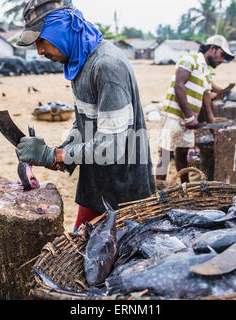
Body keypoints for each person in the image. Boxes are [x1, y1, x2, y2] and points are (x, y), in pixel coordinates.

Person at [15, 0, 156, 231]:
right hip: (96, 183)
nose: (39, 51)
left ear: (61, 28)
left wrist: (54, 154)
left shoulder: (106, 66)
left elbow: (112, 147)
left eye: (41, 40)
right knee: (80, 247)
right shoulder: (78, 61)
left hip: (125, 192)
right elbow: (84, 123)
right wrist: (61, 153)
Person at [155, 35, 235, 188]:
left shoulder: (206, 73)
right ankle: (158, 193)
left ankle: (185, 189)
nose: (222, 60)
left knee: (183, 156)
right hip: (173, 117)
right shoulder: (190, 59)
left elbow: (207, 106)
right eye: (222, 55)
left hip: (188, 122)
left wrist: (214, 131)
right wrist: (190, 116)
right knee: (165, 157)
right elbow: (179, 86)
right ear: (212, 49)